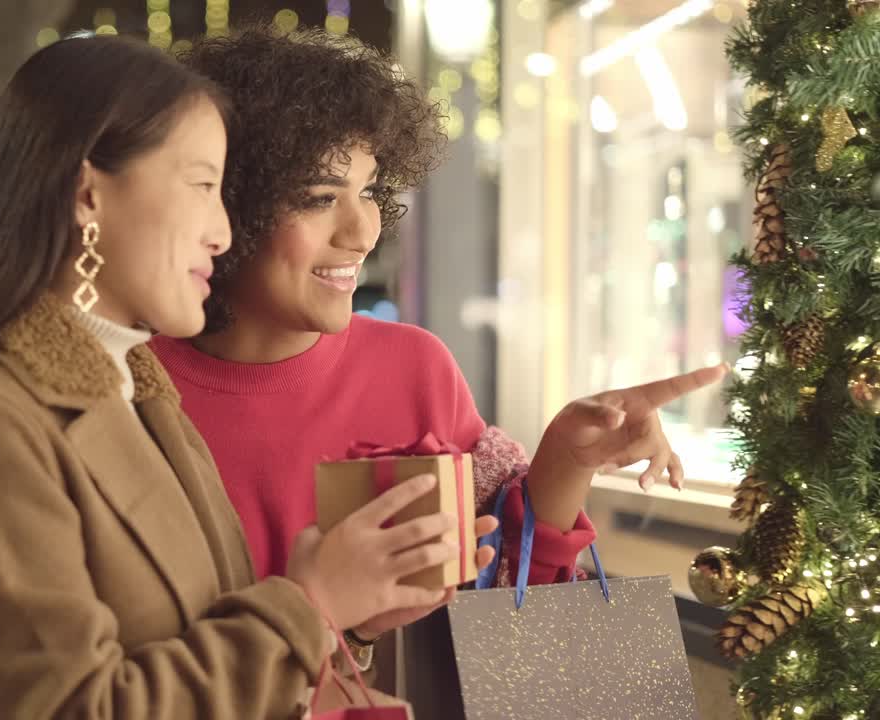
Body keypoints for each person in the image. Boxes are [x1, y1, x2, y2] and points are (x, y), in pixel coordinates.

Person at [0, 36, 494, 719]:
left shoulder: (140, 398)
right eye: (204, 186)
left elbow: (196, 645)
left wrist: (345, 614)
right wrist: (311, 605)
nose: (225, 233)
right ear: (88, 196)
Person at [151, 25, 726, 678]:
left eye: (368, 190)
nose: (362, 228)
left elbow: (513, 606)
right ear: (226, 204)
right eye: (318, 198)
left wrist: (567, 457)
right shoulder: (128, 386)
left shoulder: (411, 368)